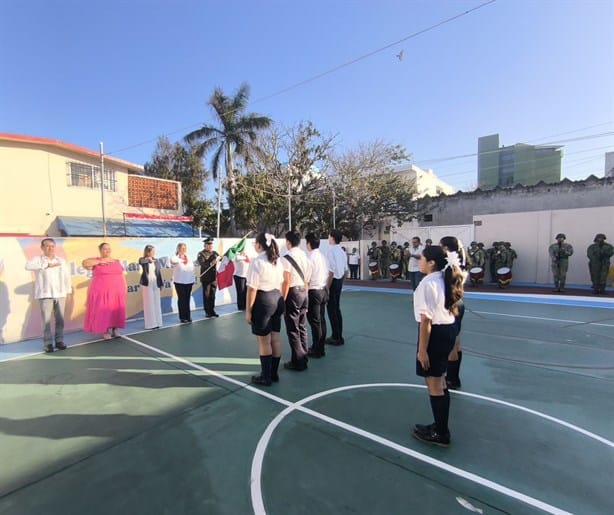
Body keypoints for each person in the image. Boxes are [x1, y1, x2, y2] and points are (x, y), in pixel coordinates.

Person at [412, 245, 464, 447]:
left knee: (433, 384)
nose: (420, 261)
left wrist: (422, 350)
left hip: (436, 333)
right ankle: (439, 425)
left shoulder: (427, 283)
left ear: (431, 262)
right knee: (440, 381)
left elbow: (425, 321)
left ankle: (441, 433)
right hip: (448, 330)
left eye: (422, 258)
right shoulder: (445, 278)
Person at [246, 233, 287, 386]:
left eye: (254, 243)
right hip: (277, 298)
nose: (254, 246)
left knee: (264, 342)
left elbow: (252, 289)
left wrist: (249, 310)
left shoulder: (257, 262)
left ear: (259, 245)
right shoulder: (277, 261)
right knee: (275, 338)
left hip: (264, 301)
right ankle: (273, 373)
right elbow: (282, 283)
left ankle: (265, 376)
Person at [25, 238, 72, 353]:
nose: (50, 248)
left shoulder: (61, 260)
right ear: (42, 248)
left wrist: (68, 291)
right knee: (46, 321)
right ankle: (48, 343)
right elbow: (28, 266)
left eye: (52, 246)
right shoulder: (38, 260)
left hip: (60, 294)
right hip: (45, 294)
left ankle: (59, 341)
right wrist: (46, 265)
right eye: (47, 246)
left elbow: (66, 276)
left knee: (60, 320)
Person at [82, 242, 127, 340]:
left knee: (116, 310)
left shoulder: (116, 261)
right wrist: (99, 262)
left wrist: (125, 287)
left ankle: (115, 330)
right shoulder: (96, 261)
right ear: (100, 250)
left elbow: (122, 275)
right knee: (104, 310)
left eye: (109, 248)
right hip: (102, 291)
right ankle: (105, 331)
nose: (107, 250)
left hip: (117, 290)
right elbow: (84, 263)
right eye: (105, 249)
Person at [440, 236, 468, 390]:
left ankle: (451, 378)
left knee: (451, 345)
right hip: (459, 303)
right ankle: (454, 376)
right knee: (456, 343)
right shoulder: (460, 262)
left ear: (446, 248)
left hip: (451, 304)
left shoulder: (450, 266)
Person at [281, 231, 312, 371]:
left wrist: (282, 299)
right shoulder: (304, 256)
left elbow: (286, 281)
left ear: (288, 242)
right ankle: (303, 356)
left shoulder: (286, 258)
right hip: (304, 292)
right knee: (302, 327)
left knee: (292, 329)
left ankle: (298, 362)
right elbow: (308, 278)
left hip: (293, 293)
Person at [305, 233, 329, 358]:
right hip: (323, 290)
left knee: (315, 322)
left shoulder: (310, 258)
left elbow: (307, 278)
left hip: (313, 291)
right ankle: (320, 346)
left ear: (308, 243)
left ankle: (317, 348)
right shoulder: (323, 257)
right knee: (321, 320)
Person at [326, 229, 348, 346]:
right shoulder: (341, 251)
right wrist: (341, 284)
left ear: (332, 238)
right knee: (337, 309)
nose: (328, 238)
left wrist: (327, 288)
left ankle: (336, 337)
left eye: (329, 236)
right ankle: (339, 335)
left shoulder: (331, 251)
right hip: (339, 282)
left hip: (333, 282)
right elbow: (346, 270)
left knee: (331, 310)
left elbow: (330, 271)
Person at [139, 244, 164, 329]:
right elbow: (141, 262)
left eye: (154, 251)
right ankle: (150, 324)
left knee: (157, 302)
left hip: (155, 282)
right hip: (147, 282)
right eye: (152, 251)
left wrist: (160, 284)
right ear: (148, 252)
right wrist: (148, 260)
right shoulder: (143, 259)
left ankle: (158, 322)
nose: (154, 252)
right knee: (149, 302)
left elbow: (158, 272)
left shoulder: (156, 260)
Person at [170, 242, 195, 323]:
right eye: (182, 248)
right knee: (181, 299)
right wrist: (182, 259)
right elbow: (173, 261)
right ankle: (182, 317)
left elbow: (192, 269)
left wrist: (192, 279)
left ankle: (188, 316)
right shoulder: (175, 257)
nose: (183, 250)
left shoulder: (189, 258)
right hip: (179, 282)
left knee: (187, 299)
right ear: (178, 249)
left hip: (189, 281)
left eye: (185, 248)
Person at [197, 237, 221, 318]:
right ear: (205, 245)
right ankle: (207, 311)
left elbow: (221, 259)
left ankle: (212, 310)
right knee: (206, 295)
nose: (210, 246)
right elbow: (203, 264)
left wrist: (222, 258)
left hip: (214, 277)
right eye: (208, 245)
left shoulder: (214, 253)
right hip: (206, 278)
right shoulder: (201, 254)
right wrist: (211, 263)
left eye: (211, 245)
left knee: (212, 295)